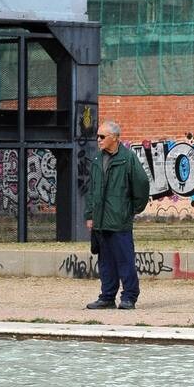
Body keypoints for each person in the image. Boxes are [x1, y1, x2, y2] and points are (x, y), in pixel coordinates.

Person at [85, 120, 151, 310]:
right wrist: (90, 215)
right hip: (100, 221)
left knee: (125, 260)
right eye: (98, 136)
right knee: (105, 262)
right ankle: (107, 297)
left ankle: (129, 297)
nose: (98, 140)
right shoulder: (97, 159)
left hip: (119, 220)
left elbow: (142, 184)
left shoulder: (128, 158)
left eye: (102, 136)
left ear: (114, 138)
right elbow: (92, 190)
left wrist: (132, 209)